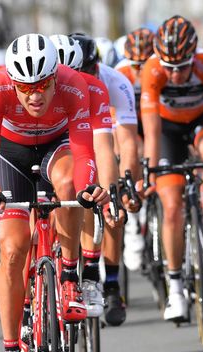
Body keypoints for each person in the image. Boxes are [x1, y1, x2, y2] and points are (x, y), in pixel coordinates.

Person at [0, 33, 108, 352]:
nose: (34, 96)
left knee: (69, 186)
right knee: (13, 250)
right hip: (10, 154)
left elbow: (84, 152)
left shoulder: (74, 86)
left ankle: (68, 276)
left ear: (55, 78)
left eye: (43, 86)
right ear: (13, 82)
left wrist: (87, 188)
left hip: (56, 147)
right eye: (25, 87)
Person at [141, 15, 203, 322]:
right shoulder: (152, 71)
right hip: (167, 130)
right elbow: (151, 131)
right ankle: (176, 289)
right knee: (171, 206)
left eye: (181, 67)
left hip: (199, 123)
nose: (175, 74)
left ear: (193, 56)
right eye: (169, 67)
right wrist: (150, 171)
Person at [50, 33, 125, 319]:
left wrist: (109, 196)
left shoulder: (95, 88)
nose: (69, 82)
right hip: (46, 148)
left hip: (79, 147)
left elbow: (104, 148)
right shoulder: (35, 92)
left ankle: (93, 274)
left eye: (76, 74)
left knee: (92, 193)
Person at [70, 32, 141, 326]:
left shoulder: (115, 82)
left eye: (89, 70)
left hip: (103, 138)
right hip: (70, 140)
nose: (85, 78)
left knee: (111, 202)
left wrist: (123, 187)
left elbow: (126, 141)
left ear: (97, 65)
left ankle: (111, 284)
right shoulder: (61, 86)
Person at [115, 28, 155, 271]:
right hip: (129, 121)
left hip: (155, 118)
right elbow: (115, 122)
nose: (140, 70)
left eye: (145, 64)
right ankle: (133, 223)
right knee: (132, 149)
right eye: (135, 64)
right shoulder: (121, 73)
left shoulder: (160, 70)